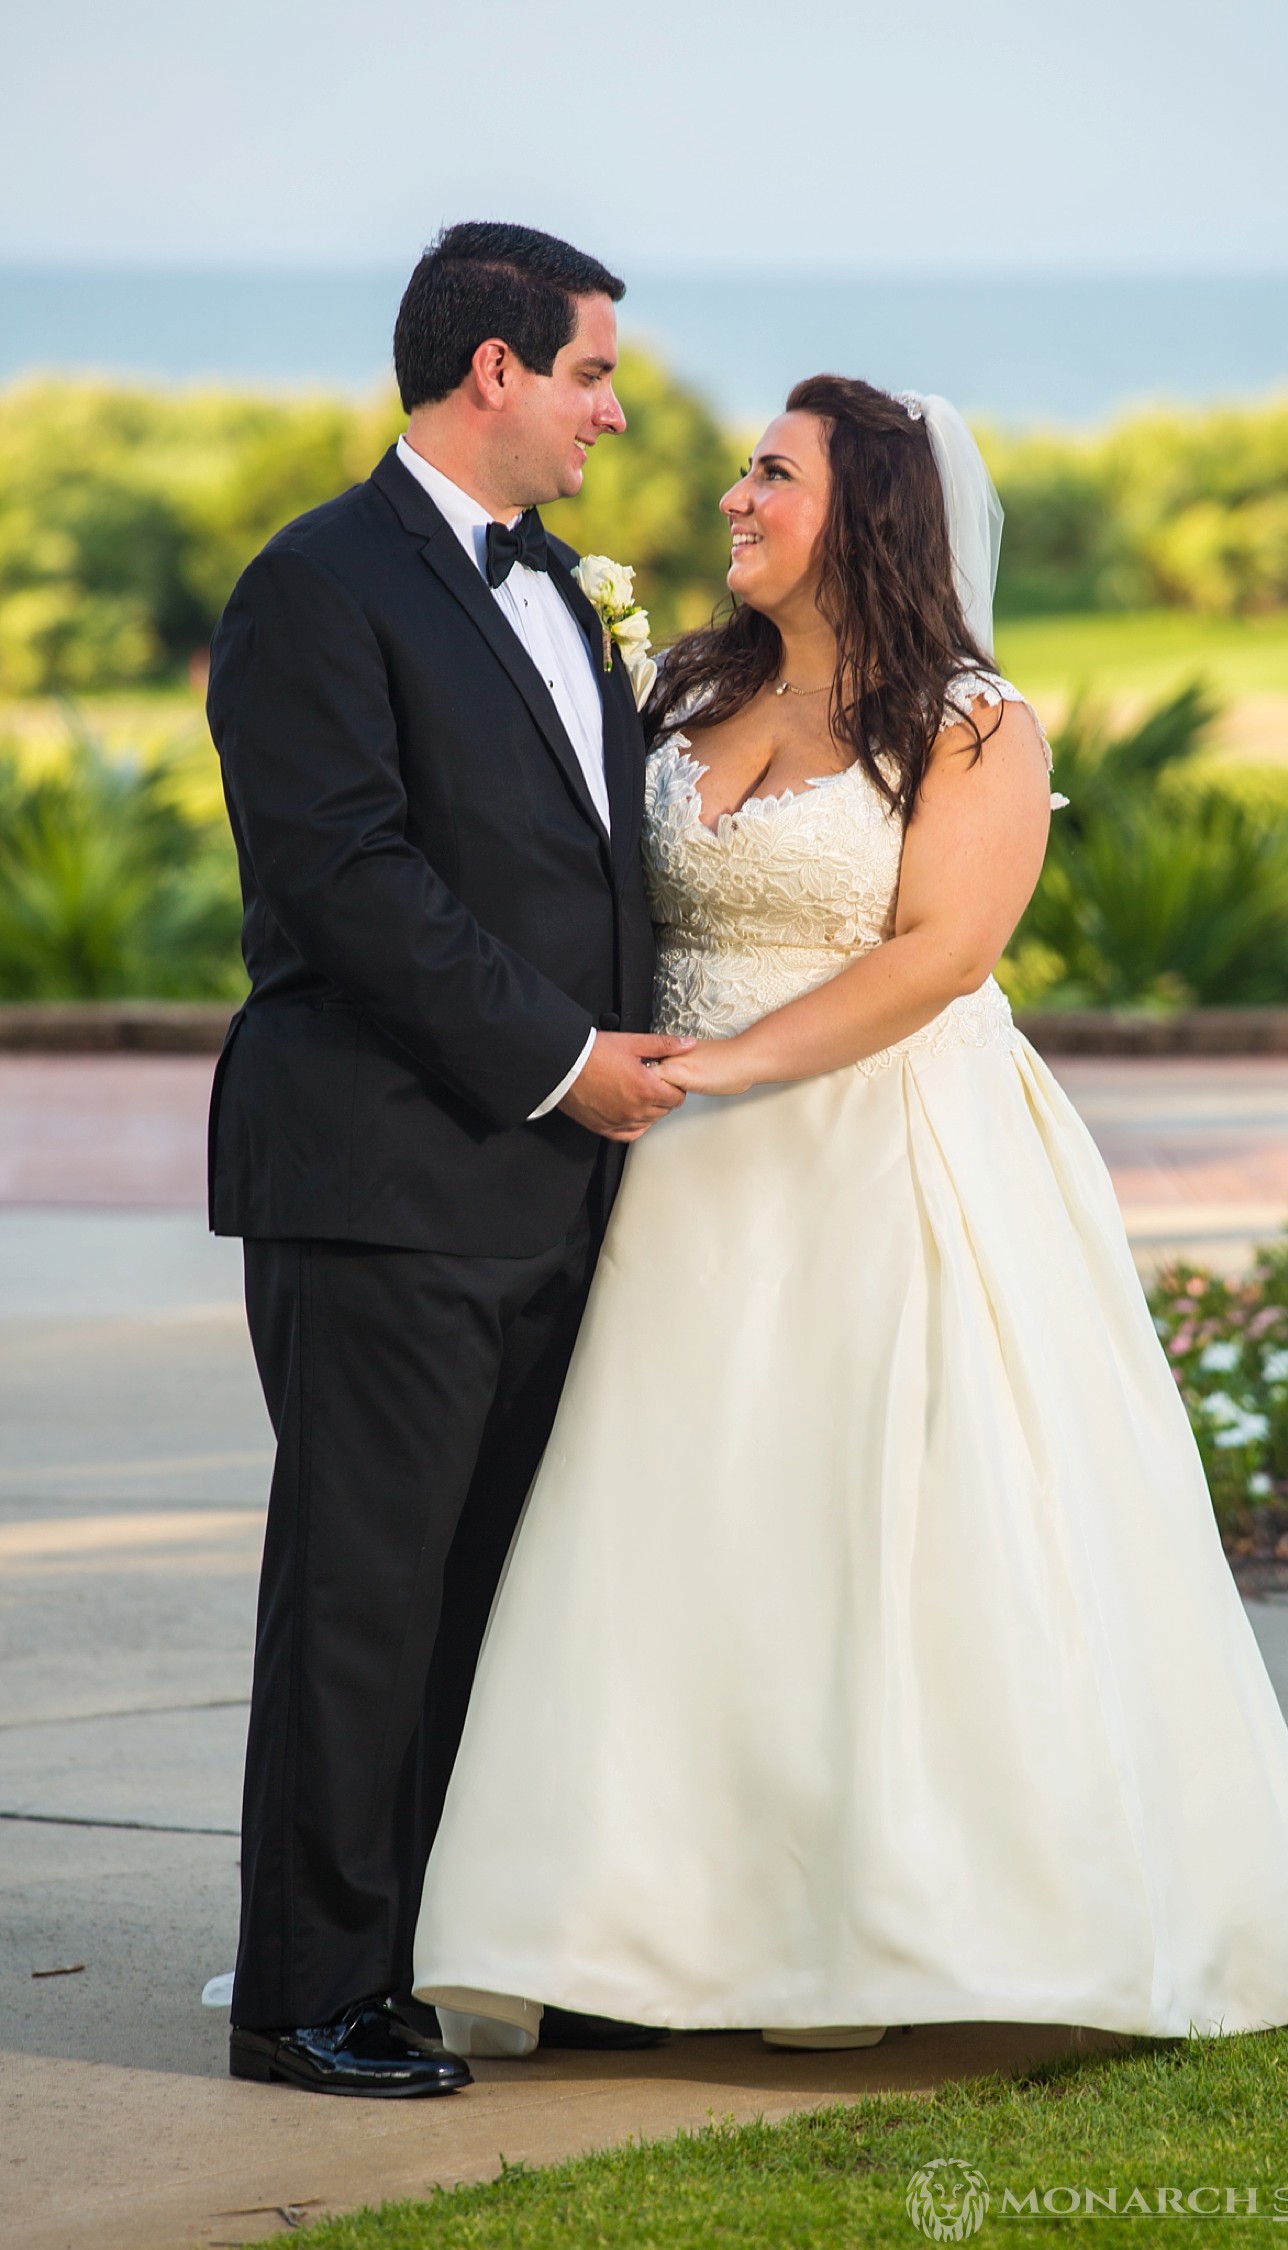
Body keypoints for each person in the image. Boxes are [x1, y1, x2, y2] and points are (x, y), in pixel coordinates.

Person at [411, 375, 1288, 2055]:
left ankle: (887, 1924)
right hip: (672, 1179)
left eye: (770, 475)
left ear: (864, 511)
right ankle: (634, 1925)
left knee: (873, 1526)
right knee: (665, 1533)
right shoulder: (687, 685)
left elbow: (942, 955)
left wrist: (724, 1071)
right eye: (741, 468)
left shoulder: (972, 720)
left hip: (877, 1152)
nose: (731, 496)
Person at [205, 222, 692, 2097]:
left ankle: (458, 1953)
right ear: (492, 369)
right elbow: (347, 879)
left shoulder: (568, 592)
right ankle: (305, 1995)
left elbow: (587, 863)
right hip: (383, 1180)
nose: (615, 408)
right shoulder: (313, 587)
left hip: (551, 1195)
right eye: (590, 372)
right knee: (364, 1594)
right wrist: (566, 1061)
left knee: (500, 1591)